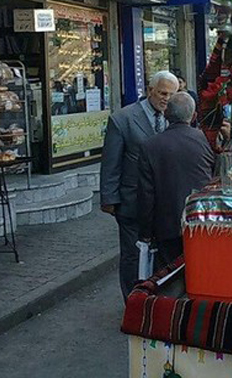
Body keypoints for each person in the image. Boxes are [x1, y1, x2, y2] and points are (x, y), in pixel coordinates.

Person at [100, 71, 178, 300]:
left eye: (171, 95)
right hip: (131, 201)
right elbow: (111, 162)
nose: (166, 99)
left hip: (162, 201)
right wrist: (109, 198)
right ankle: (132, 302)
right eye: (162, 93)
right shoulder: (122, 119)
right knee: (133, 255)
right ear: (150, 90)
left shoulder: (173, 117)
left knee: (160, 254)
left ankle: (155, 299)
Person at [137, 92, 214, 269]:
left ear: (165, 114)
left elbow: (146, 195)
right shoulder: (204, 140)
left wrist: (145, 234)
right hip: (201, 221)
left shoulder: (150, 146)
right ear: (193, 116)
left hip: (167, 226)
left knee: (170, 276)